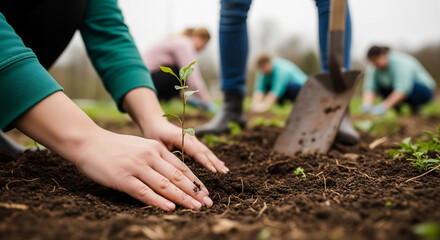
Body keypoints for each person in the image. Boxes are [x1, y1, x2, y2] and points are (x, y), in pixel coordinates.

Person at [0, 0, 229, 212]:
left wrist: (152, 117)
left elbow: (109, 33)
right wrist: (87, 140)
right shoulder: (182, 43)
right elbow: (193, 74)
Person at [196, 0, 360, 145]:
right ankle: (232, 108)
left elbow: (277, 90)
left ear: (269, 63)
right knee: (233, 2)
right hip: (284, 92)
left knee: (330, 2)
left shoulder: (280, 68)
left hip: (300, 89)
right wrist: (256, 104)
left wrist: (265, 106)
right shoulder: (263, 72)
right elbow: (259, 89)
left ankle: (338, 107)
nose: (264, 71)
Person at [142, 28, 217, 112]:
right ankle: (155, 101)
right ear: (198, 37)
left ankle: (155, 104)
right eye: (204, 44)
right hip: (147, 79)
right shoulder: (185, 43)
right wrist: (207, 102)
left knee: (180, 75)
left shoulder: (178, 41)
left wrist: (191, 101)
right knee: (182, 73)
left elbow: (177, 90)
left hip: (147, 79)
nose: (203, 49)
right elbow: (192, 77)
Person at [361, 46, 436, 115]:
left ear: (383, 54)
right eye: (372, 62)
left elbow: (403, 88)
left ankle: (415, 107)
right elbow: (369, 87)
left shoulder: (400, 63)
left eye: (376, 61)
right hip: (399, 89)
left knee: (406, 86)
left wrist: (383, 107)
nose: (375, 64)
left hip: (424, 90)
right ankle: (398, 112)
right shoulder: (373, 67)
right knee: (384, 86)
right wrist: (367, 105)